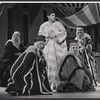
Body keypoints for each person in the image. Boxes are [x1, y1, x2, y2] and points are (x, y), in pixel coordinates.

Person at [38, 9, 67, 90]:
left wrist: (55, 35)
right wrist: (47, 35)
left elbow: (64, 33)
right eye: (52, 15)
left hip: (57, 47)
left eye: (54, 15)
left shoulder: (59, 24)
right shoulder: (43, 25)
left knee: (58, 63)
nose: (54, 17)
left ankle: (57, 83)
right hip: (48, 47)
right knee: (48, 64)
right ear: (48, 16)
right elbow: (40, 35)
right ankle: (48, 83)